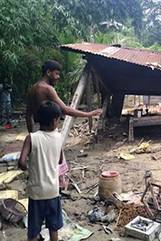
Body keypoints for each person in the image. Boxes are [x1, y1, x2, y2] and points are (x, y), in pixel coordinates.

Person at [19, 101, 64, 241]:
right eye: (58, 119)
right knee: (53, 227)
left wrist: (27, 167)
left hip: (37, 192)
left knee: (34, 230)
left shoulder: (31, 138)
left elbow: (21, 162)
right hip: (52, 191)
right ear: (54, 120)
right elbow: (60, 161)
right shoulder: (59, 137)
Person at [26, 60, 102, 132]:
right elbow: (66, 110)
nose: (58, 77)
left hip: (36, 128)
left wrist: (31, 133)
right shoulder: (47, 89)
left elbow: (28, 115)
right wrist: (89, 114)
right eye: (56, 74)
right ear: (48, 72)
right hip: (46, 130)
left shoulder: (33, 88)